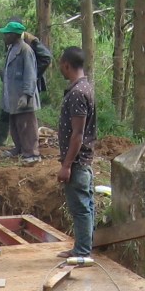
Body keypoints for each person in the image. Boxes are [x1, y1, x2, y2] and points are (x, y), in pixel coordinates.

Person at [56, 46, 97, 260]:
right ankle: (85, 246)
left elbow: (77, 134)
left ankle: (82, 251)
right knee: (87, 204)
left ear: (67, 65)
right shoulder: (85, 88)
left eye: (61, 65)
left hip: (77, 162)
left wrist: (66, 165)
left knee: (80, 207)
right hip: (82, 160)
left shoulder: (78, 94)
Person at [0, 21, 41, 166]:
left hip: (23, 96)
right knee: (15, 124)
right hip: (13, 96)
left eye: (6, 34)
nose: (4, 36)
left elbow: (30, 74)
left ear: (14, 35)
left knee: (27, 125)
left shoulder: (25, 50)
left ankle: (32, 153)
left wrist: (26, 95)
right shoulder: (12, 48)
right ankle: (19, 148)